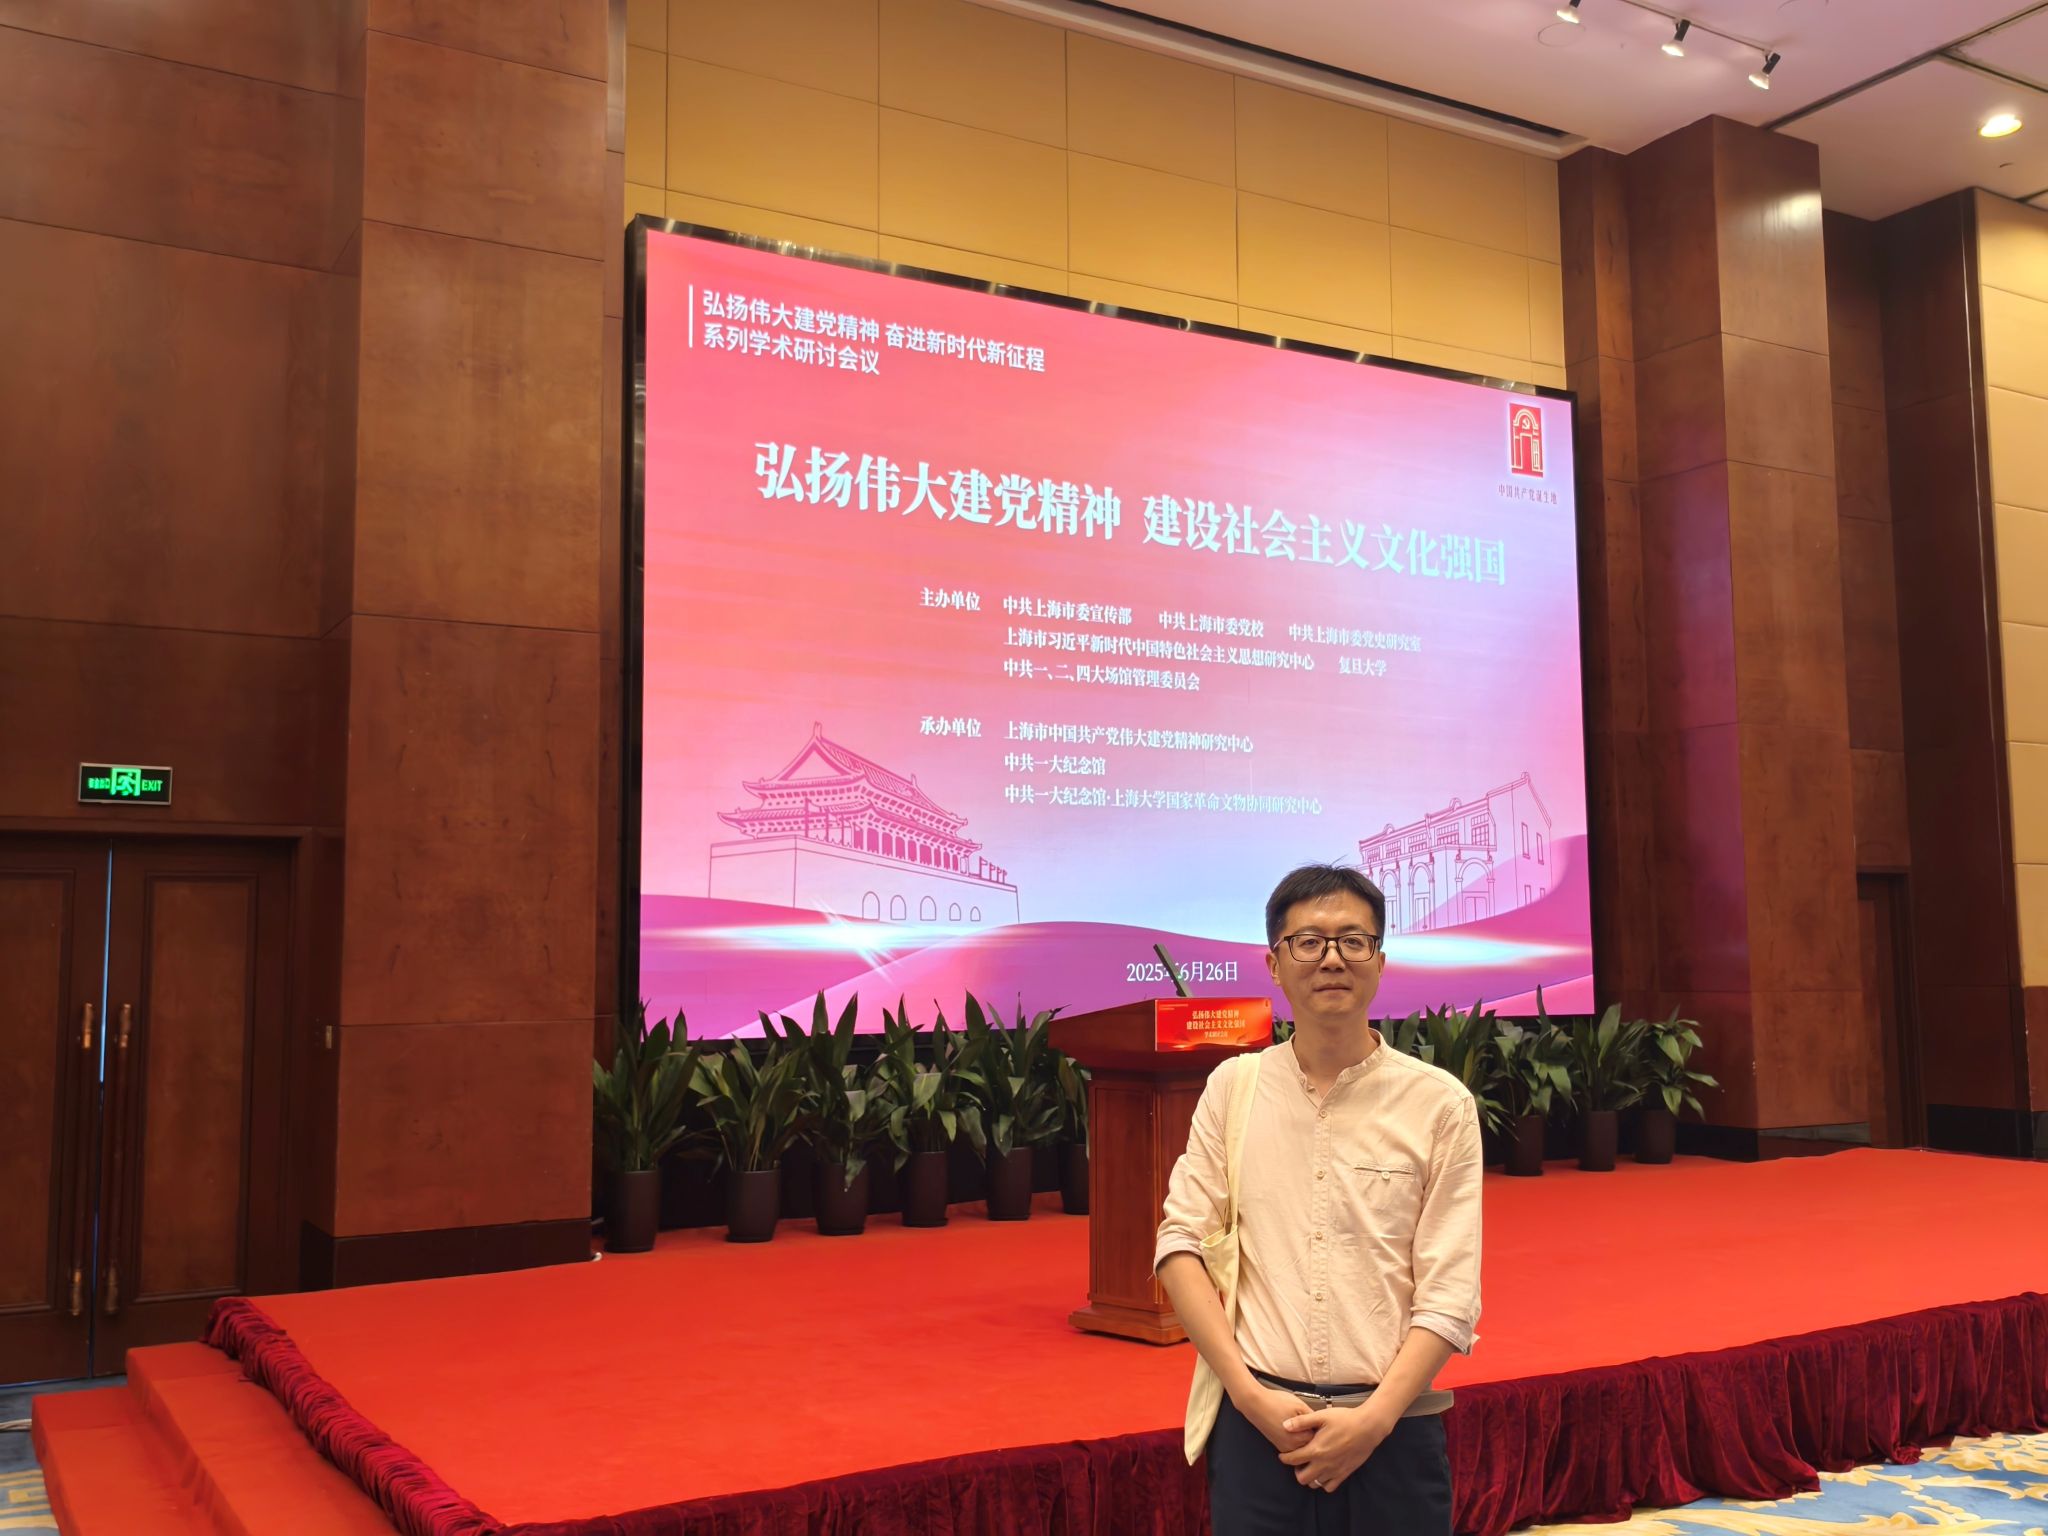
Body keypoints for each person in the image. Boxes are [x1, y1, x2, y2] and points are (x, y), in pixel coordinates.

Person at [1155, 863, 1483, 1534]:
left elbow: (1450, 1294)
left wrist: (1374, 1420)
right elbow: (1179, 1245)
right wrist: (1248, 1396)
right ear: (1274, 964)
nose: (1332, 958)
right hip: (1258, 1429)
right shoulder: (1233, 1088)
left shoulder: (1440, 1105)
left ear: (1380, 961)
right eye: (1308, 942)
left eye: (1353, 941)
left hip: (1393, 1432)